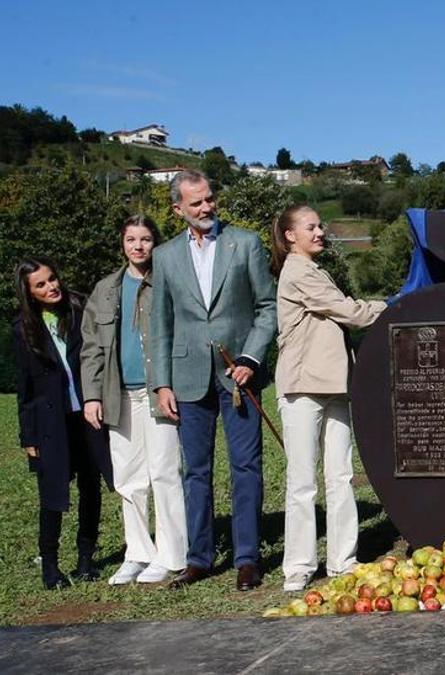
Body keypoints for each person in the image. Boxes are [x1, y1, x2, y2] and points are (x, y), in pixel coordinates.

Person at [150, 170, 277, 591]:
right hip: (187, 380)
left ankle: (246, 559)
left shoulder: (246, 243)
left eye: (209, 199)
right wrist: (161, 384)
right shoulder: (165, 256)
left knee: (246, 467)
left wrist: (250, 358)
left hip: (237, 376)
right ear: (177, 209)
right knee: (195, 471)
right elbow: (161, 324)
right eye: (196, 203)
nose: (206, 208)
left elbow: (266, 308)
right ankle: (199, 559)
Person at [270, 205, 387, 591]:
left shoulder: (315, 270)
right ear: (291, 236)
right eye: (312, 227)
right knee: (303, 481)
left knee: (341, 476)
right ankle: (300, 566)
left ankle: (343, 561)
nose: (321, 232)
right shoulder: (298, 271)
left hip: (335, 386)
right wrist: (393, 305)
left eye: (320, 225)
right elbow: (348, 312)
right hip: (303, 387)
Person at [81, 214, 187, 585]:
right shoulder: (106, 289)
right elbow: (92, 348)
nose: (138, 246)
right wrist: (92, 396)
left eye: (145, 239)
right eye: (131, 239)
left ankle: (172, 555)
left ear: (155, 243)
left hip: (159, 391)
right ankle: (138, 553)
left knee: (164, 472)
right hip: (119, 393)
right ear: (122, 243)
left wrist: (170, 384)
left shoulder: (168, 283)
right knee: (128, 478)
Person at [13, 258, 113, 589]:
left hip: (86, 415)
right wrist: (28, 436)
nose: (51, 287)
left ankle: (86, 559)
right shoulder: (24, 329)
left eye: (52, 279)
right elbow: (25, 388)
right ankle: (51, 567)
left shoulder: (80, 311)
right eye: (40, 285)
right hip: (50, 423)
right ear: (29, 292)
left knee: (90, 487)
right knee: (52, 494)